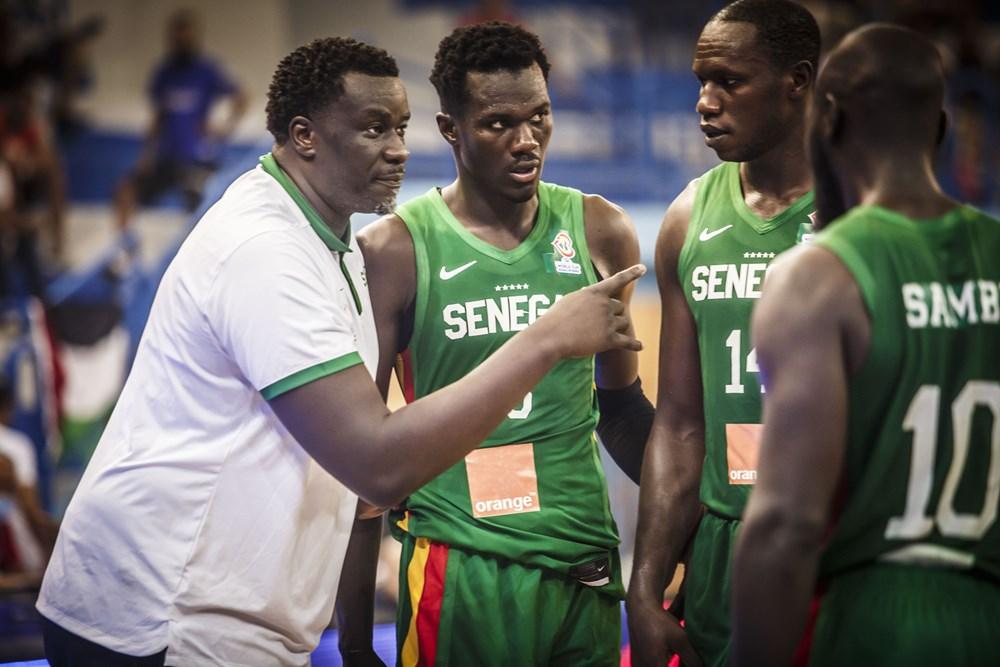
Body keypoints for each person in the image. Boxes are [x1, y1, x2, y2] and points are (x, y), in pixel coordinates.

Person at [34, 36, 644, 666]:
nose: (399, 150)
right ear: (304, 136)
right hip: (164, 619)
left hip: (229, 613)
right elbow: (376, 465)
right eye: (374, 129)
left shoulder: (334, 238)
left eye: (401, 127)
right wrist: (546, 338)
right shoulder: (267, 251)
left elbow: (366, 487)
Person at [356, 21, 651, 667]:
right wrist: (354, 638)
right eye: (499, 124)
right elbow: (361, 462)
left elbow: (623, 411)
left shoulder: (602, 229)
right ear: (450, 128)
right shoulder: (394, 250)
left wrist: (689, 534)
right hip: (460, 562)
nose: (527, 142)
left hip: (584, 564)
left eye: (540, 117)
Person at [732, 24, 1000, 667]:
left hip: (872, 615)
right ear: (938, 126)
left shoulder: (816, 277)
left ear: (827, 119)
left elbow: (787, 526)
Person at [626, 2, 820, 666]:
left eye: (729, 81)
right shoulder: (687, 217)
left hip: (834, 550)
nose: (705, 103)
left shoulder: (857, 213)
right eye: (700, 82)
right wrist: (645, 588)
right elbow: (681, 422)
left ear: (797, 81)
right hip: (721, 555)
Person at [113, 8, 247, 229]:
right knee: (125, 191)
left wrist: (223, 128)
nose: (182, 42)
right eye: (178, 37)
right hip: (167, 157)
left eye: (187, 37)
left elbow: (241, 97)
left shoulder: (207, 70)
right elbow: (158, 117)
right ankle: (124, 252)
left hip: (197, 160)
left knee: (205, 207)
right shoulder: (163, 73)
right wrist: (146, 156)